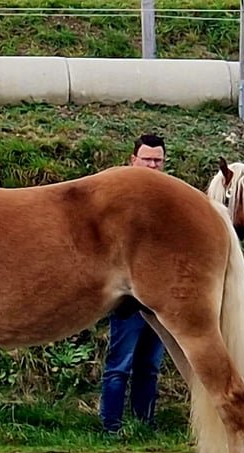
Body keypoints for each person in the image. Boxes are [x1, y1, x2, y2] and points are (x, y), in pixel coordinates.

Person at [99, 134, 167, 433]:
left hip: (158, 298)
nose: (152, 165)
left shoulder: (169, 199)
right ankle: (111, 427)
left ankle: (144, 425)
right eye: (147, 159)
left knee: (149, 366)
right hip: (127, 296)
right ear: (133, 160)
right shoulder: (118, 196)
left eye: (157, 160)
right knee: (119, 364)